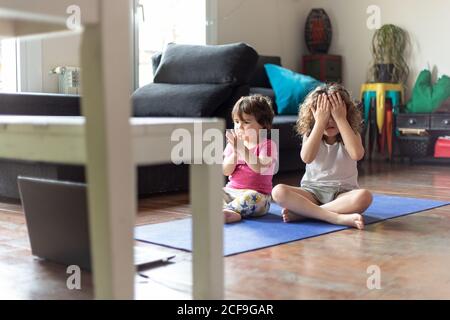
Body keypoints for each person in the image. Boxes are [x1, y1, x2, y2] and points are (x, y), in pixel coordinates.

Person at [271, 83, 372, 229]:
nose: (329, 121)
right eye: (325, 115)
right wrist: (319, 122)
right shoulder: (310, 134)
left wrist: (341, 119)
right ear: (313, 116)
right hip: (311, 193)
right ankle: (335, 217)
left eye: (334, 115)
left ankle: (306, 213)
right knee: (278, 191)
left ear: (345, 114)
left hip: (342, 194)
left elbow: (357, 154)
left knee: (364, 196)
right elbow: (307, 157)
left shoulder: (351, 133)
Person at [223, 95, 278, 223]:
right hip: (232, 192)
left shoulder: (268, 145)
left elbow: (259, 167)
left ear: (263, 124)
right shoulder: (234, 144)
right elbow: (226, 171)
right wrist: (236, 152)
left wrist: (242, 149)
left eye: (246, 122)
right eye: (237, 122)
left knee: (252, 197)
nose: (239, 126)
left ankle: (229, 211)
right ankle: (229, 211)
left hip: (258, 196)